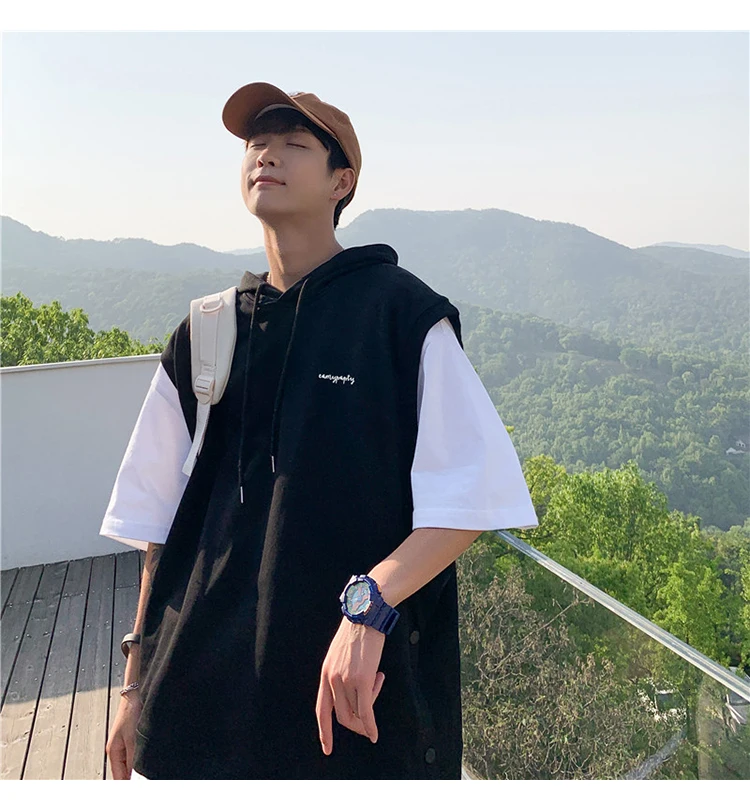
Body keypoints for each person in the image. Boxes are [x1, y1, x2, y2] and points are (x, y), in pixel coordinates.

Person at [100, 81, 539, 780]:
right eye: (255, 143)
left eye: (293, 144)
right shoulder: (206, 330)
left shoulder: (401, 317)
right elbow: (160, 525)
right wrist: (134, 684)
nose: (266, 155)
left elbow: (474, 497)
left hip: (346, 706)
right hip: (194, 699)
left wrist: (369, 606)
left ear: (343, 181)